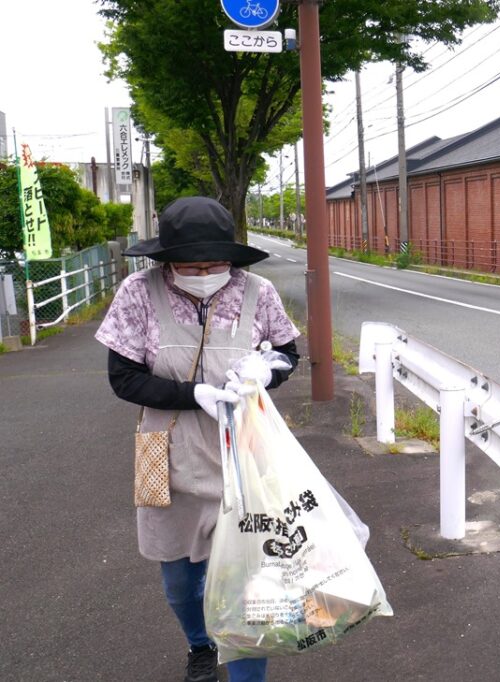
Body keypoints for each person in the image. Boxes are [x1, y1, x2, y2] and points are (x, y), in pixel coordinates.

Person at [96, 196, 301, 682]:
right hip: (169, 455)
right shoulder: (138, 293)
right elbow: (123, 378)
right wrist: (194, 395)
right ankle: (200, 643)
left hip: (247, 455)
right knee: (180, 581)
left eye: (214, 264)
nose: (205, 273)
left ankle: (247, 673)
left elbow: (288, 353)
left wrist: (267, 373)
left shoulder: (258, 291)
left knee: (251, 583)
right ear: (167, 261)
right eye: (191, 266)